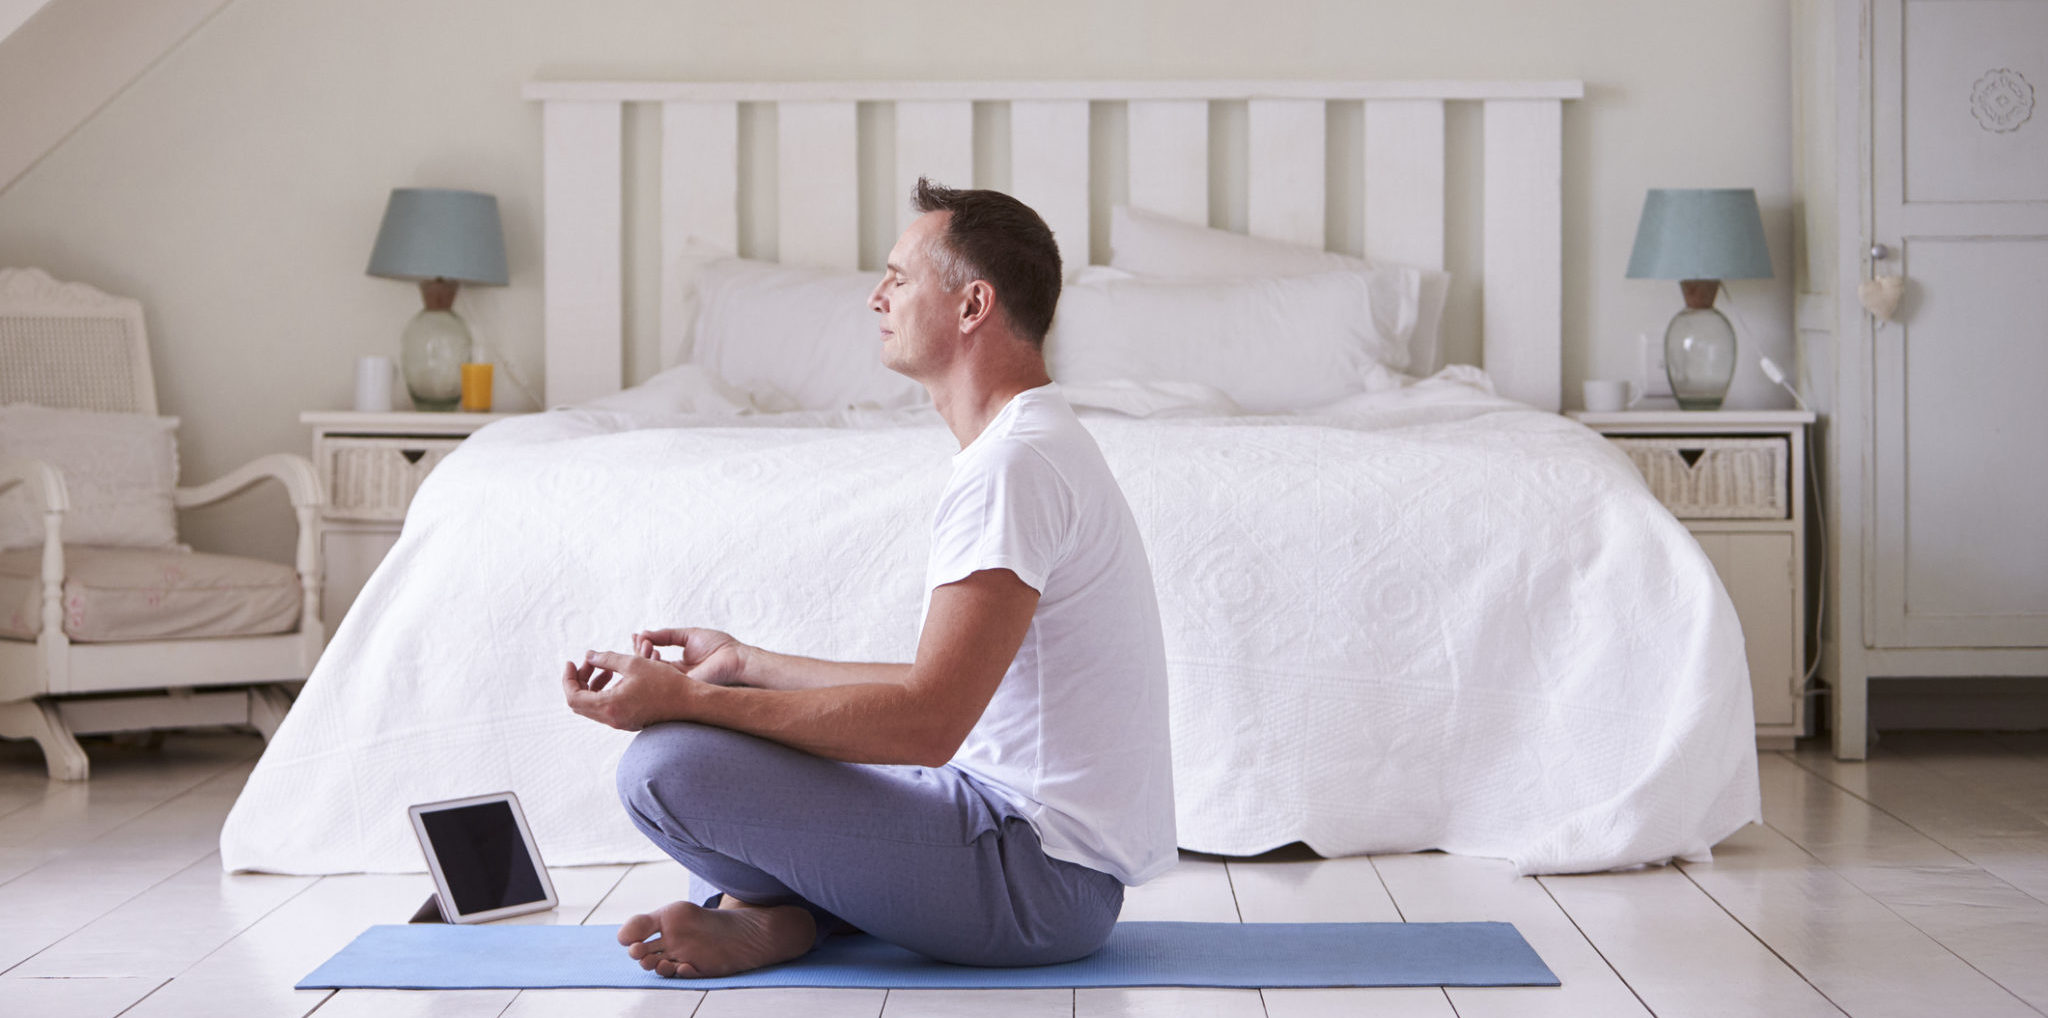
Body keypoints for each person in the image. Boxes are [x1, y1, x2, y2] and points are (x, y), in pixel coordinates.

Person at [561, 178, 1175, 977]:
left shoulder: (1013, 466)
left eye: (899, 277)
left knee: (664, 767)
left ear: (971, 306)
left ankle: (777, 913)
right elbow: (943, 688)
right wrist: (743, 668)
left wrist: (685, 698)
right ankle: (786, 921)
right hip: (1026, 856)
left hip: (1037, 884)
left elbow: (927, 724)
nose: (875, 297)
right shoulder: (1030, 443)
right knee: (725, 716)